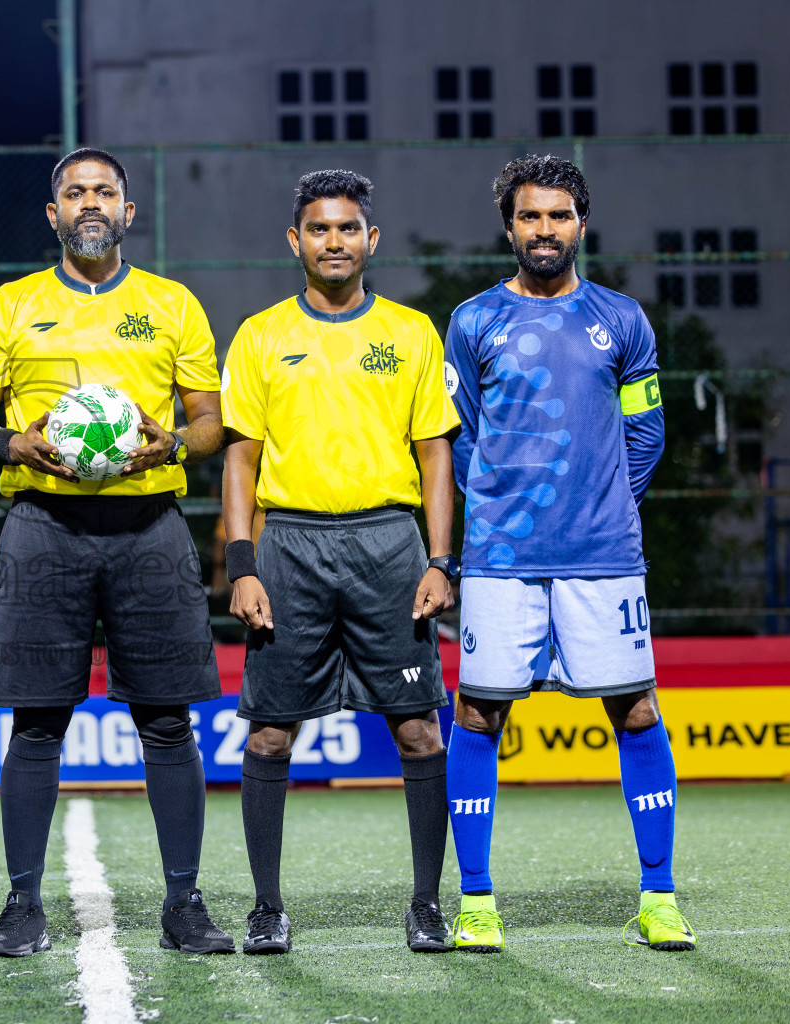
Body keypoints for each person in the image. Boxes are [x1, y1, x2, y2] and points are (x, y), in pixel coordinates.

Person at [0, 147, 231, 957]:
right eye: (74, 192)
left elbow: (211, 424)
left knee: (167, 721)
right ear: (54, 214)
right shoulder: (11, 305)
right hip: (43, 525)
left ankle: (184, 905)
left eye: (104, 192)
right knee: (36, 722)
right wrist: (13, 444)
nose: (89, 203)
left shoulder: (172, 304)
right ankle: (22, 908)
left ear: (126, 211)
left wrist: (170, 443)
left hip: (150, 527)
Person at [443, 155, 690, 953]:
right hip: (501, 559)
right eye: (529, 216)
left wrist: (601, 504)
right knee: (478, 714)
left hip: (603, 556)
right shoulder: (473, 320)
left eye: (558, 215)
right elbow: (460, 440)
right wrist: (502, 513)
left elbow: (646, 432)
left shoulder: (623, 319)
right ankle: (477, 904)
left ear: (581, 223)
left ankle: (659, 897)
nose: (543, 230)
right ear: (508, 227)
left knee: (638, 711)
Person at [221, 170, 461, 955]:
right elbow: (240, 457)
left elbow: (435, 455)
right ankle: (266, 908)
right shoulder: (260, 335)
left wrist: (441, 561)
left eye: (348, 228)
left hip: (389, 547)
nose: (335, 242)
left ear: (371, 239)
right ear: (296, 241)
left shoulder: (411, 332)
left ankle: (426, 905)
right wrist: (242, 564)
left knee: (418, 730)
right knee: (269, 736)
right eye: (320, 229)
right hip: (289, 547)